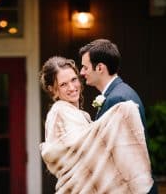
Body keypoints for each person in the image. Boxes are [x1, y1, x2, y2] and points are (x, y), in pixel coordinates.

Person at [39, 56, 153, 193]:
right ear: (53, 89)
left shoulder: (78, 113)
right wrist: (120, 113)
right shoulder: (59, 112)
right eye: (63, 84)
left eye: (74, 80)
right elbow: (84, 152)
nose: (72, 87)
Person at [79, 38, 158, 194]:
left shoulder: (117, 99)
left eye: (85, 67)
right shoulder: (119, 93)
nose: (82, 72)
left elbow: (121, 156)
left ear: (100, 67)